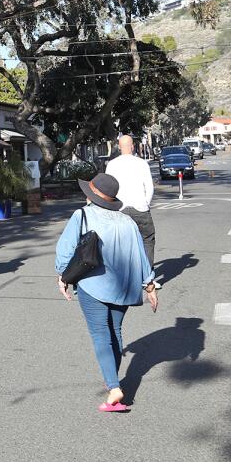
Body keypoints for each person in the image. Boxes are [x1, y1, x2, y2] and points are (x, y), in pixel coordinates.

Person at [56, 173, 159, 412]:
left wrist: (63, 276)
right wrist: (150, 285)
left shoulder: (81, 215)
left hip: (93, 284)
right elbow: (142, 257)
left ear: (91, 195)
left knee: (101, 333)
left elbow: (66, 249)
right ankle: (112, 376)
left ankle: (114, 388)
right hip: (124, 286)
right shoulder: (128, 222)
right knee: (115, 331)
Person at [106, 135, 158, 284]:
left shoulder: (112, 165)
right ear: (133, 146)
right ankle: (147, 277)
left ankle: (123, 277)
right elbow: (149, 186)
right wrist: (145, 203)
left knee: (120, 243)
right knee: (147, 240)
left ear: (119, 146)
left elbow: (109, 188)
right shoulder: (141, 163)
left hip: (119, 208)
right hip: (139, 207)